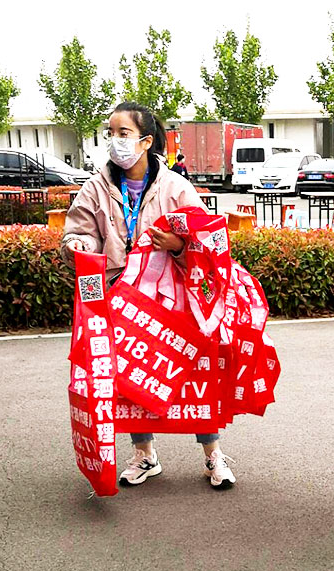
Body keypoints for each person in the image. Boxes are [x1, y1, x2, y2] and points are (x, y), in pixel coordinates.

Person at [61, 102, 237, 490]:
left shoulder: (176, 187)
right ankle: (145, 455)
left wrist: (178, 244)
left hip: (171, 302)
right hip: (118, 298)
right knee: (129, 379)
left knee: (192, 375)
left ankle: (213, 455)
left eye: (123, 133)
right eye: (110, 133)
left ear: (145, 141)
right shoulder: (96, 187)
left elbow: (206, 239)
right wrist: (77, 244)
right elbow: (80, 231)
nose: (114, 141)